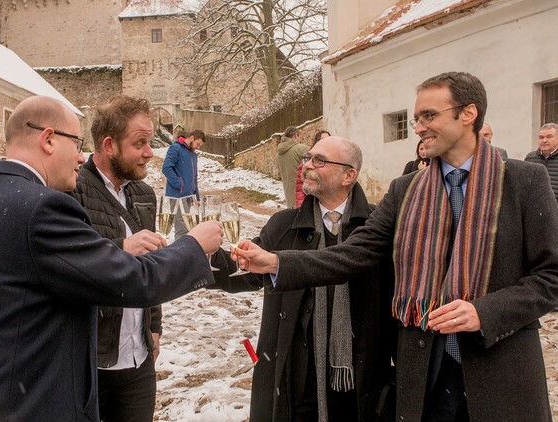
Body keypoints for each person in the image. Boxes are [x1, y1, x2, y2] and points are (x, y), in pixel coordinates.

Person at [235, 72, 558, 422]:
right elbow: (353, 253)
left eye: (428, 116)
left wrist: (486, 312)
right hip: (425, 375)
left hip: (501, 368)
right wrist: (275, 263)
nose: (418, 128)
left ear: (468, 114)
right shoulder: (405, 190)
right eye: (416, 118)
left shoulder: (524, 181)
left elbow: (551, 276)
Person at [0, 96, 223, 422]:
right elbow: (133, 279)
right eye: (77, 143)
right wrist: (194, 245)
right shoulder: (43, 208)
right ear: (49, 139)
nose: (82, 157)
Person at [212, 136, 395, 422]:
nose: (306, 165)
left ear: (349, 175)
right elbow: (247, 275)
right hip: (298, 379)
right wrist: (201, 256)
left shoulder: (376, 225)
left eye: (318, 160)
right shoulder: (285, 225)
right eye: (307, 158)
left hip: (363, 377)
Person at [69, 96, 163, 422]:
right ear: (109, 145)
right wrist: (122, 246)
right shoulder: (73, 190)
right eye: (140, 143)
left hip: (138, 361)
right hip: (90, 362)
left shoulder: (144, 194)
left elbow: (150, 268)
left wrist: (155, 325)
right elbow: (68, 264)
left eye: (149, 142)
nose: (149, 153)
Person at [161, 129, 205, 239]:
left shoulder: (193, 155)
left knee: (190, 229)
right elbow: (166, 168)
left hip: (189, 197)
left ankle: (187, 253)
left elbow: (194, 177)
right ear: (191, 138)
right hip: (177, 196)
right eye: (197, 144)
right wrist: (180, 185)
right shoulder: (176, 148)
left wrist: (197, 197)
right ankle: (180, 255)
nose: (198, 147)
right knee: (182, 231)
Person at [295, 130, 330, 207]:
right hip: (313, 203)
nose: (325, 142)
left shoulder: (333, 158)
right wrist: (301, 207)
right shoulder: (307, 159)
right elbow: (300, 186)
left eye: (328, 139)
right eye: (322, 139)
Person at [525, 122, 558, 204]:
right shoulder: (530, 158)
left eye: (549, 137)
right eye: (541, 137)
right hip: (536, 208)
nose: (544, 140)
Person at [276, 126, 309, 208]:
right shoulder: (301, 149)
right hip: (304, 194)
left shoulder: (278, 155)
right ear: (296, 136)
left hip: (289, 196)